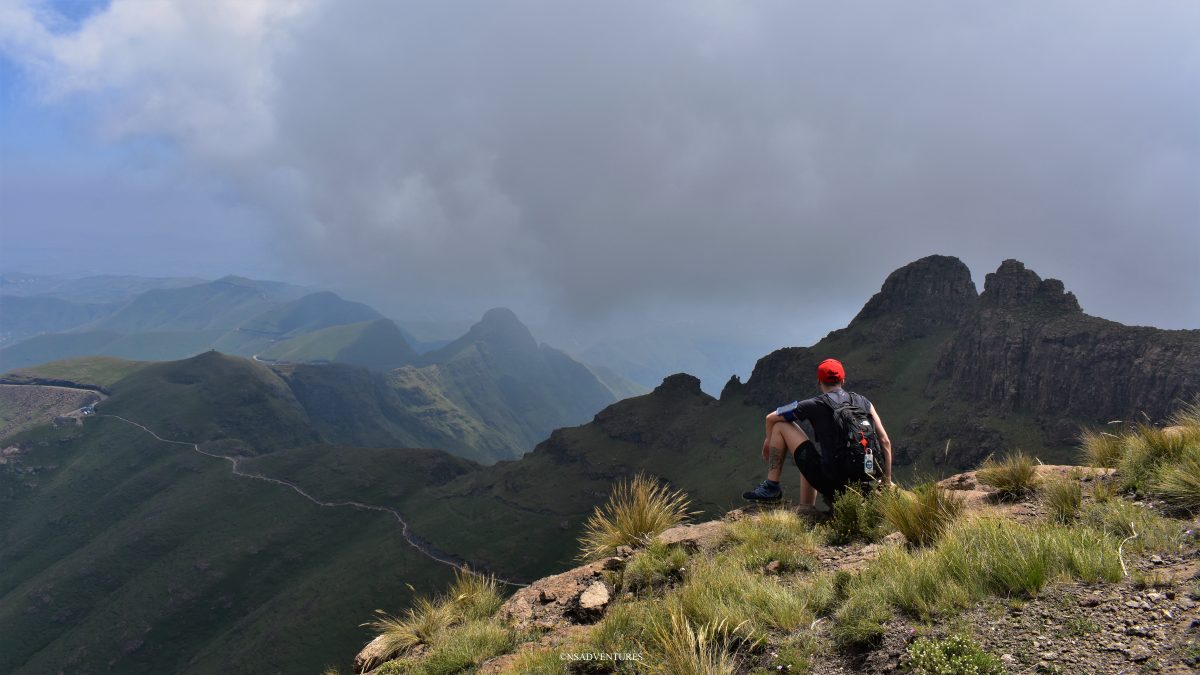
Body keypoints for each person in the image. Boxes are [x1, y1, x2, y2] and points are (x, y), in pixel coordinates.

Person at [742, 358, 892, 506]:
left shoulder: (814, 404)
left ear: (819, 382)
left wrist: (767, 441)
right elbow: (885, 441)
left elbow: (770, 418)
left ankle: (772, 488)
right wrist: (886, 481)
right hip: (868, 477)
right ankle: (806, 507)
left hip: (834, 485)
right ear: (843, 380)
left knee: (781, 427)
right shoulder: (864, 402)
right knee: (811, 455)